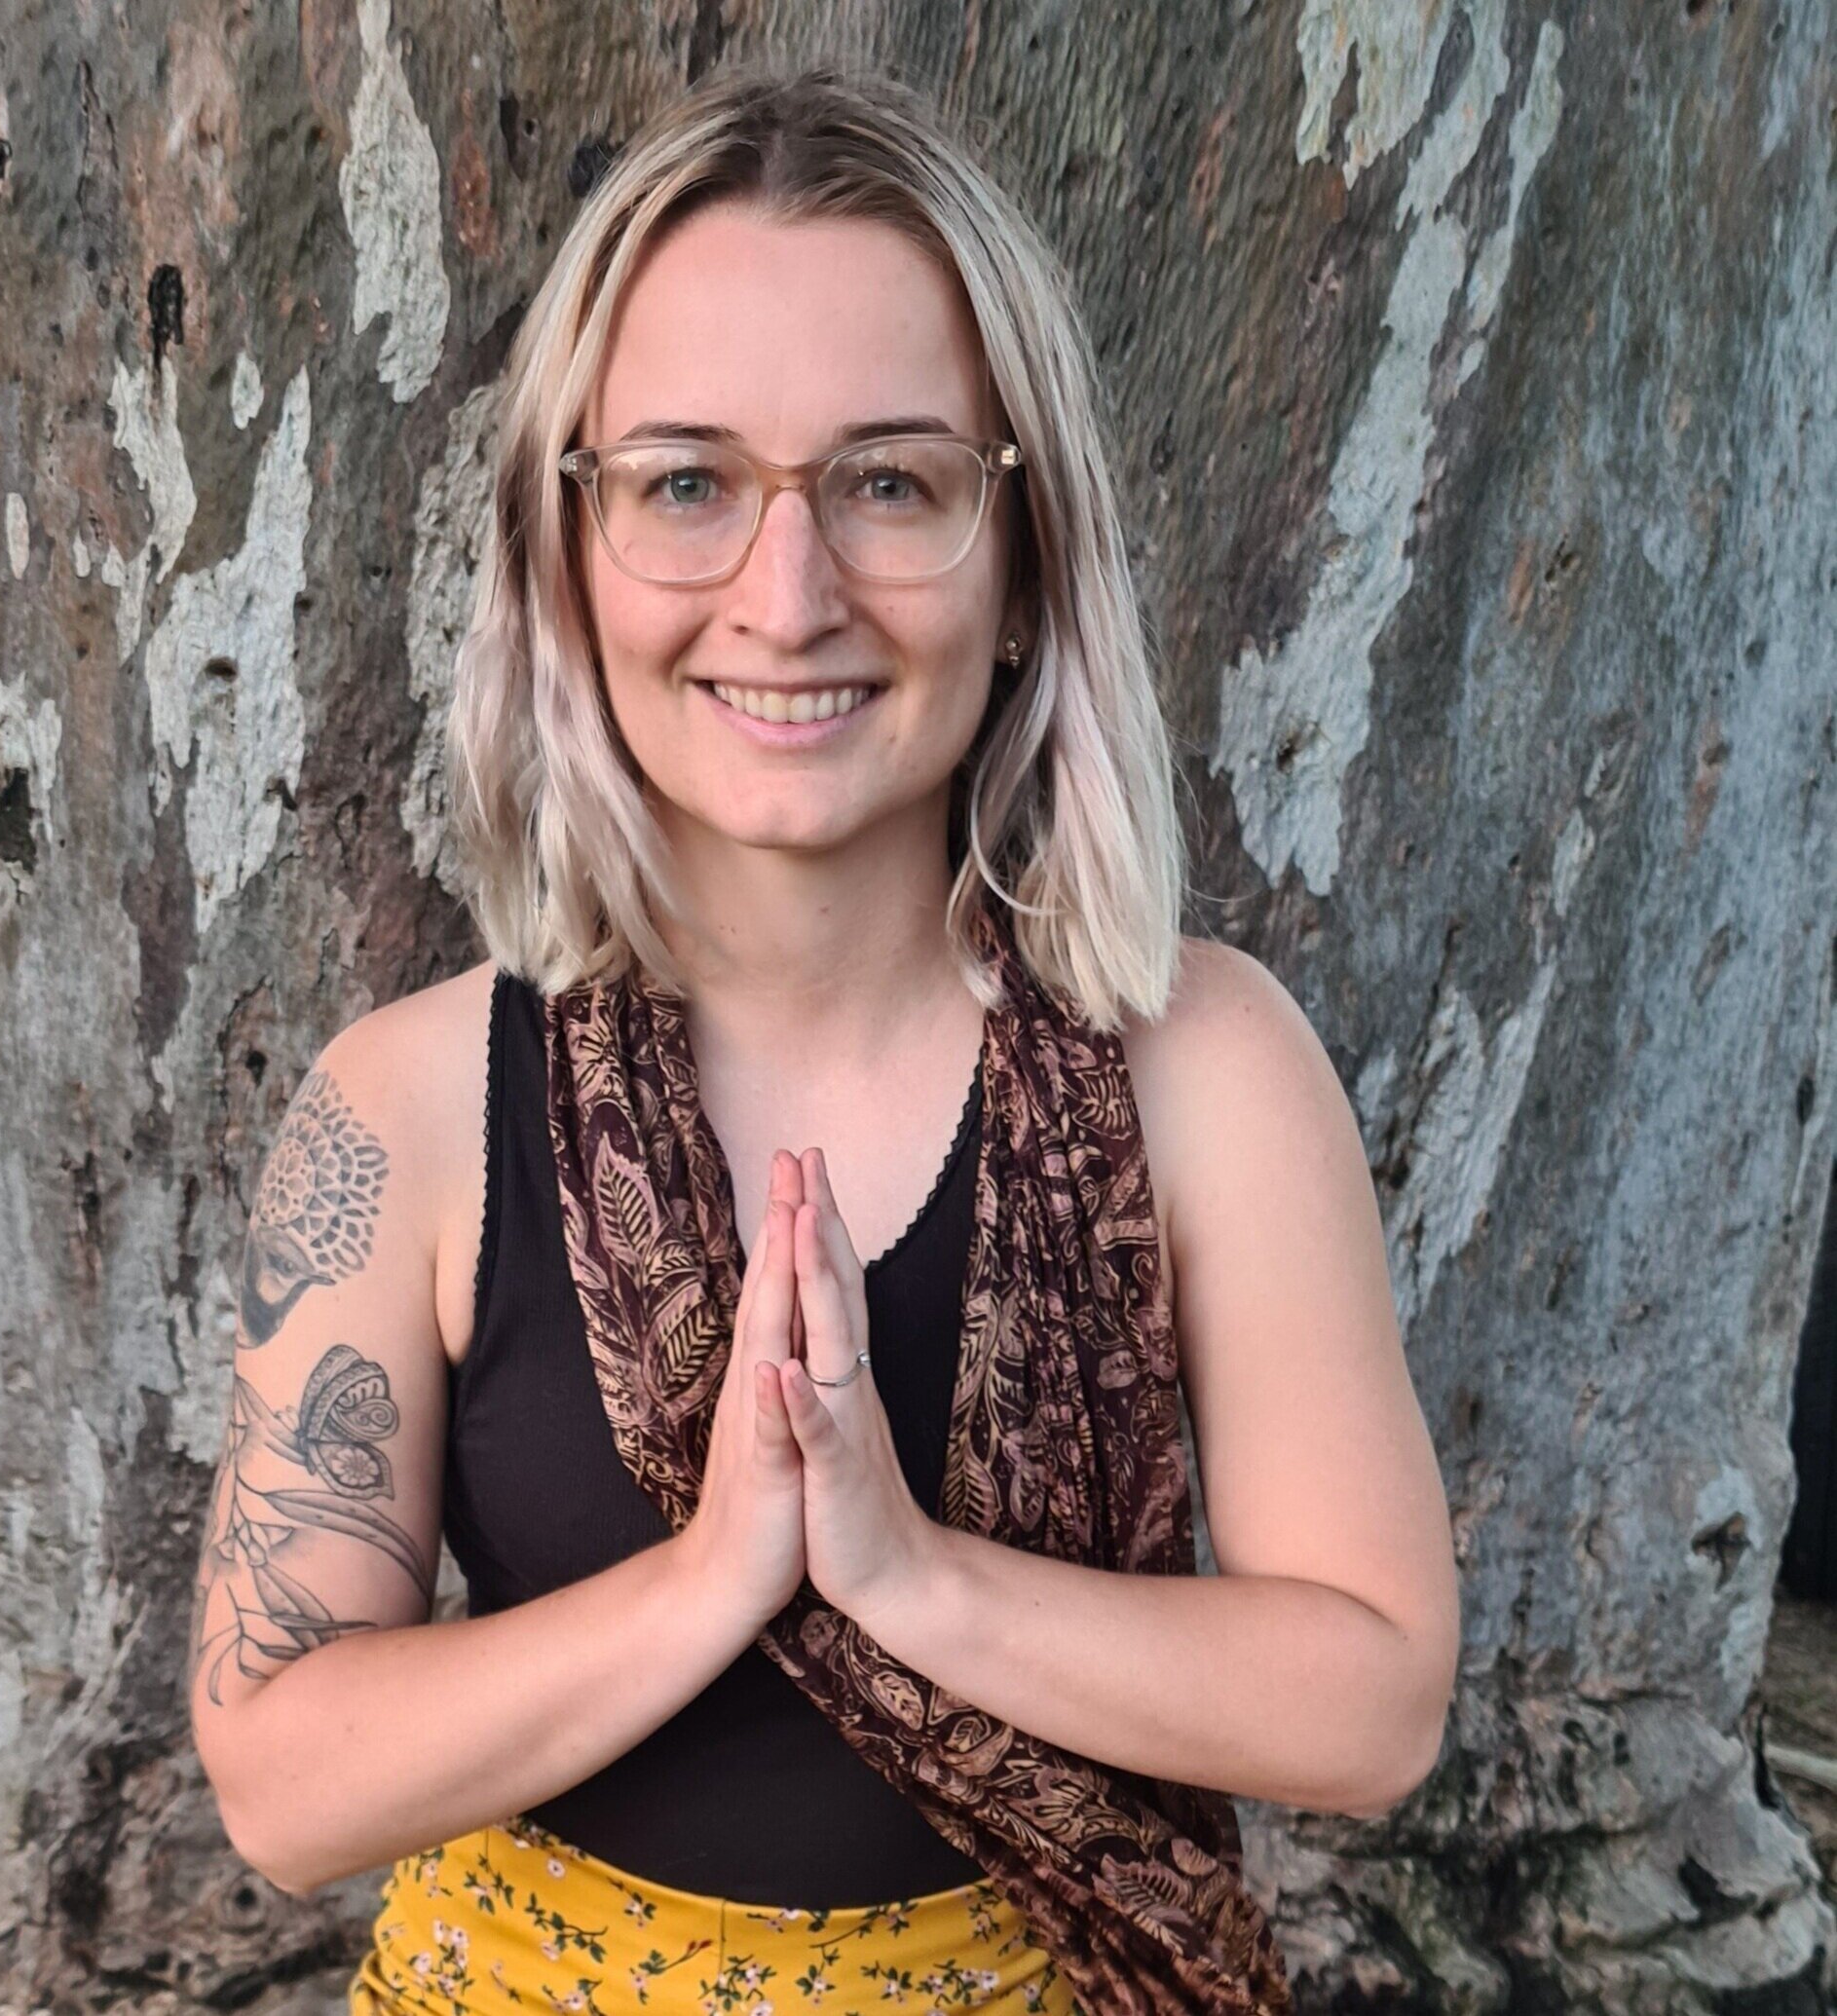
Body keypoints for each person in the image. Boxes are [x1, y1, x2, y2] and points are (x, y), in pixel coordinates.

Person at [187, 60, 1460, 2016]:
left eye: (889, 483)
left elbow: (1370, 1704)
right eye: (686, 484)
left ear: (1024, 559)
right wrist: (713, 1575)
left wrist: (908, 1575)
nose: (787, 601)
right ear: (566, 557)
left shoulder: (1204, 1071)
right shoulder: (411, 1110)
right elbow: (283, 1787)